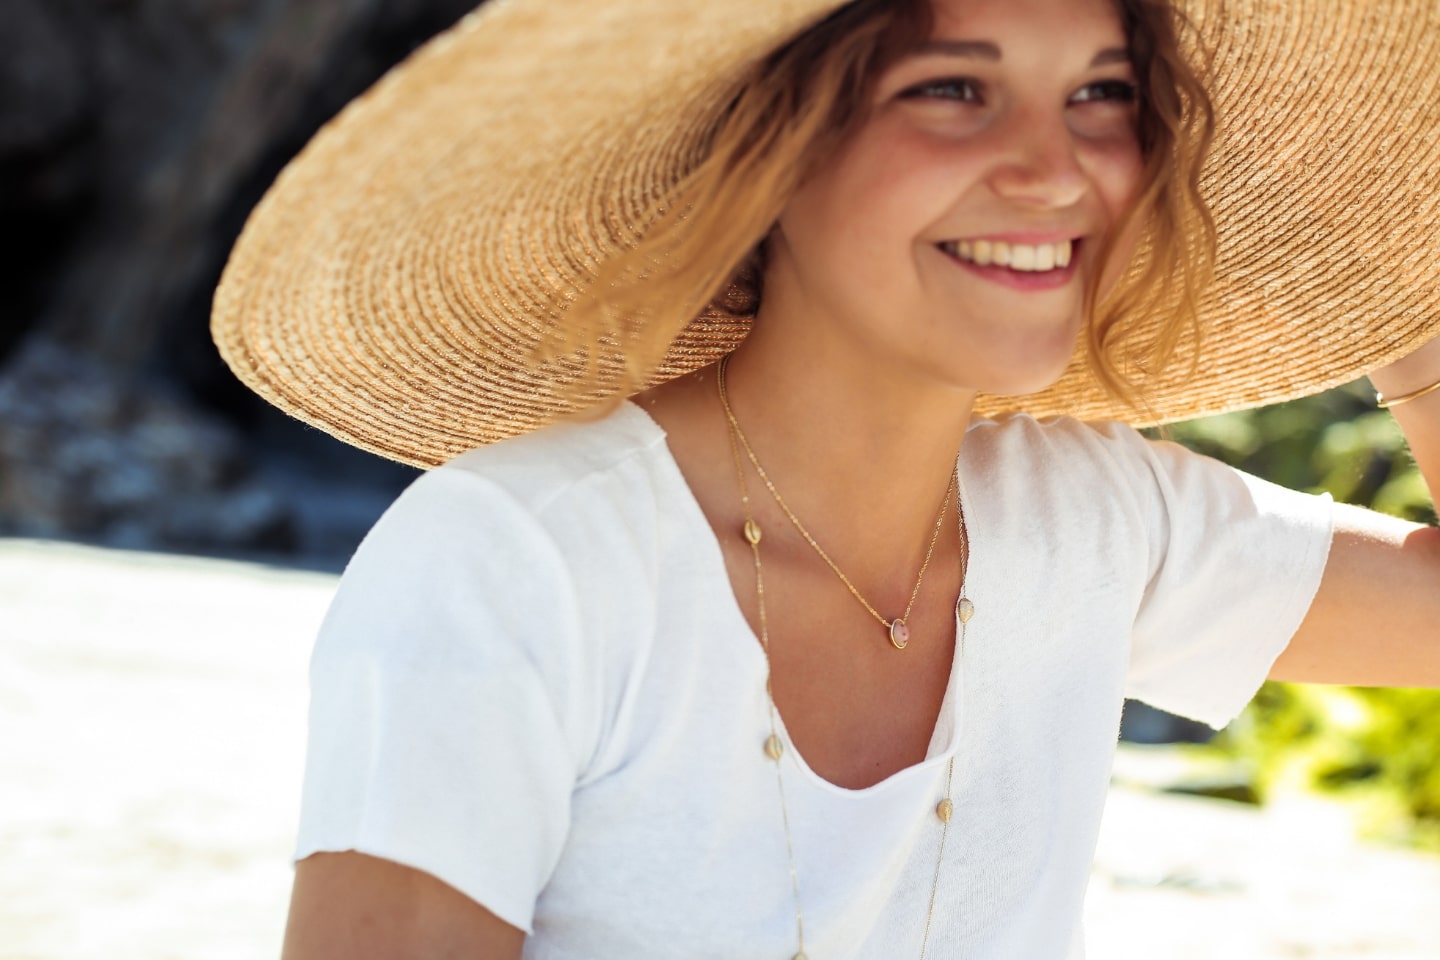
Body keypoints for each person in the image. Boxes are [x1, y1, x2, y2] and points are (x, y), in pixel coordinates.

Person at [210, 0, 1440, 956]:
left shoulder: (1097, 522)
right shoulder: (517, 561)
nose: (1057, 171)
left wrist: (1401, 286)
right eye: (952, 89)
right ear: (777, 146)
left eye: (1102, 96)